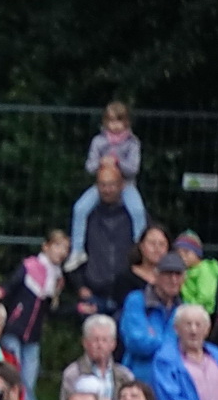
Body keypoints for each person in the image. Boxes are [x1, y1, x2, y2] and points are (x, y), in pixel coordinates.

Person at [0, 229, 71, 400]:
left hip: (33, 336)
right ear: (46, 246)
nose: (62, 252)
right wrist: (1, 292)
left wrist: (76, 309)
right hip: (14, 329)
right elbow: (12, 285)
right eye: (57, 246)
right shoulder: (29, 267)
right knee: (12, 374)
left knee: (29, 381)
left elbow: (50, 309)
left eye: (65, 248)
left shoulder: (57, 278)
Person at [68, 102, 148, 260]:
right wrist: (101, 162)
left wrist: (117, 162)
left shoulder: (132, 143)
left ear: (126, 123)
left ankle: (142, 252)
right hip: (101, 187)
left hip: (126, 186)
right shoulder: (98, 141)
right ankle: (77, 251)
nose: (115, 126)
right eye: (111, 121)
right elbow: (89, 167)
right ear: (105, 122)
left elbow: (133, 169)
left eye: (119, 121)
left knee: (138, 211)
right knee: (80, 208)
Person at [71, 164, 136, 317]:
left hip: (125, 293)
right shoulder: (86, 216)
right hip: (93, 292)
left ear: (122, 185)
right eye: (103, 185)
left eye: (112, 184)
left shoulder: (134, 216)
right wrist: (79, 286)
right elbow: (75, 251)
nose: (107, 190)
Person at [120, 250, 186, 375]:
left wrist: (154, 338)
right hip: (140, 380)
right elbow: (137, 343)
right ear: (156, 275)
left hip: (173, 378)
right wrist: (175, 344)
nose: (173, 280)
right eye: (168, 274)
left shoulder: (184, 308)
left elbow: (191, 346)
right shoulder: (137, 300)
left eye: (178, 274)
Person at [58, 313, 134, 400]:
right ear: (85, 343)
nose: (100, 345)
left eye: (104, 340)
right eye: (95, 340)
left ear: (113, 344)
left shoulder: (125, 375)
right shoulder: (73, 374)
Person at [174, 231, 218, 317]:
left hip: (203, 313)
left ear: (197, 253)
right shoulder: (184, 271)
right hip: (186, 311)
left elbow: (205, 296)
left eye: (186, 252)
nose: (182, 256)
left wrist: (187, 307)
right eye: (179, 254)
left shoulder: (205, 269)